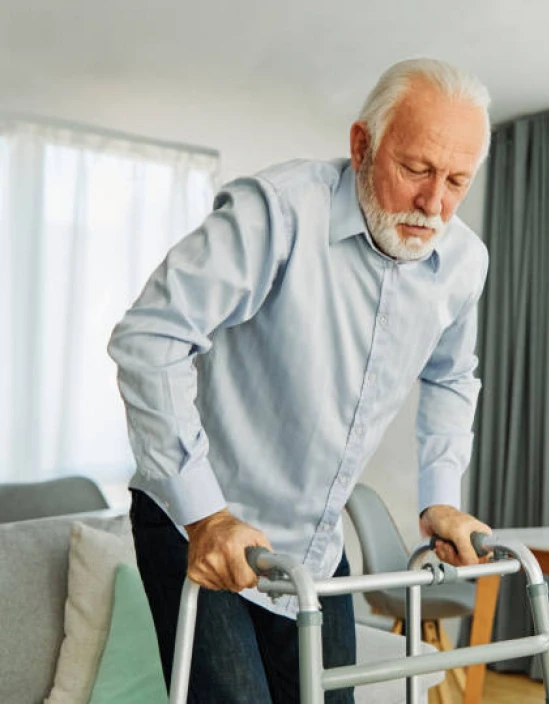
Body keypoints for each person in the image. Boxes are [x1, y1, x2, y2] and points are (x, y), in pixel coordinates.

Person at [108, 57, 493, 703]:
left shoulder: (462, 260)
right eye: (417, 169)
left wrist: (440, 497)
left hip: (313, 544)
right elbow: (150, 338)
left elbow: (452, 375)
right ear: (361, 145)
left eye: (457, 180)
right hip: (201, 524)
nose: (434, 204)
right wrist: (208, 516)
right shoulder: (278, 212)